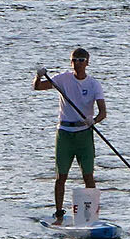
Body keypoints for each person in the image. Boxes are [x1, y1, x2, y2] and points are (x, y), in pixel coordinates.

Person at [33, 47, 107, 222]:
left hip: (84, 134)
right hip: (65, 134)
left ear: (87, 63)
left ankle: (91, 216)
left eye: (81, 60)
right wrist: (38, 76)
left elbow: (103, 112)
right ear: (71, 62)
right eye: (74, 60)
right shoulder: (63, 79)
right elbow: (38, 87)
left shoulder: (94, 84)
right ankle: (59, 213)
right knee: (61, 176)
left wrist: (93, 121)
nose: (77, 63)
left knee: (88, 176)